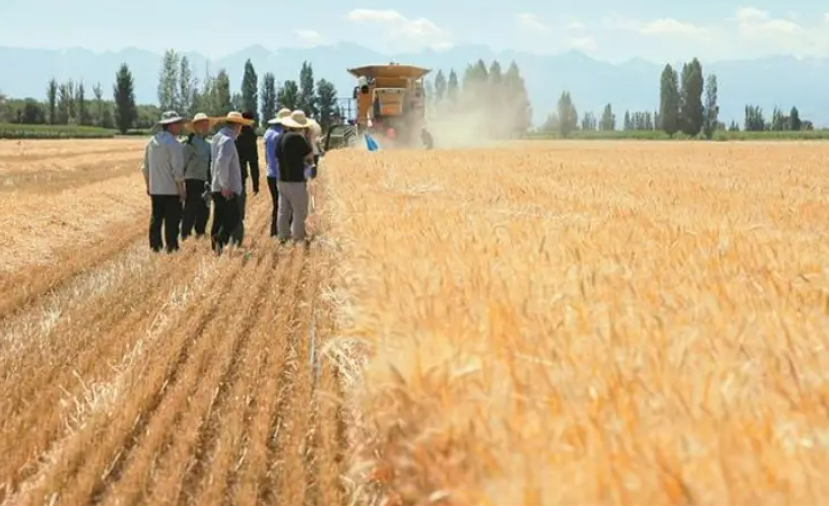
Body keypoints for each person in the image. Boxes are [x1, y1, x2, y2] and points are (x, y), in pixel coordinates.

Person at [141, 111, 186, 253]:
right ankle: (171, 247)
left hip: (155, 189)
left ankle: (155, 246)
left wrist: (149, 186)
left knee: (156, 219)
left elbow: (145, 168)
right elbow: (177, 170)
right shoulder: (174, 144)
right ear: (170, 125)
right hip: (171, 189)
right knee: (172, 220)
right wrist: (181, 190)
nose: (180, 126)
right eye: (177, 123)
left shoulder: (151, 142)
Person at [210, 111, 254, 254]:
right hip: (227, 188)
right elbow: (222, 163)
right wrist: (225, 186)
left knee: (219, 217)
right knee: (234, 217)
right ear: (237, 125)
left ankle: (216, 248)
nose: (241, 130)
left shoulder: (217, 137)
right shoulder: (227, 141)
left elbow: (214, 163)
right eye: (241, 126)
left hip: (216, 185)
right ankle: (220, 240)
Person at [275, 110, 314, 244]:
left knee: (283, 210)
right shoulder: (297, 139)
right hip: (295, 180)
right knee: (299, 210)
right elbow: (309, 157)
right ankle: (298, 237)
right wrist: (308, 138)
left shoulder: (280, 137)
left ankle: (283, 236)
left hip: (281, 179)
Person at [180, 112, 212, 240]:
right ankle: (185, 233)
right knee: (191, 208)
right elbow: (183, 163)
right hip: (192, 180)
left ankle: (200, 232)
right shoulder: (190, 143)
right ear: (196, 126)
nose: (205, 127)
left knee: (205, 208)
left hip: (205, 181)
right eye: (202, 124)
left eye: (206, 124)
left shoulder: (208, 144)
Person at [232, 110, 259, 245]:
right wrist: (256, 183)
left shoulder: (231, 134)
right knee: (238, 208)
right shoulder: (250, 136)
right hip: (240, 176)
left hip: (226, 176)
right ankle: (236, 239)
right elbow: (253, 162)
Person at [264, 108, 291, 237]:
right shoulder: (282, 135)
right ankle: (285, 231)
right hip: (282, 175)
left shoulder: (268, 133)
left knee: (276, 204)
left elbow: (266, 156)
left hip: (270, 173)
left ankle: (274, 231)